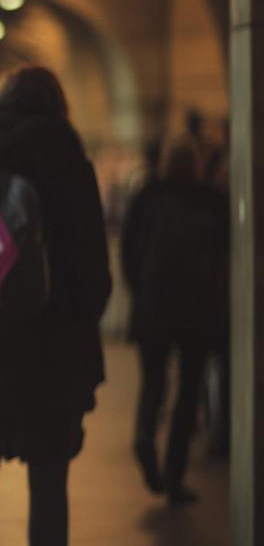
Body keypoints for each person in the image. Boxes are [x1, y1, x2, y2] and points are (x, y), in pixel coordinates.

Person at [0, 66, 111, 546]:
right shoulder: (69, 160)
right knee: (49, 481)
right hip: (54, 341)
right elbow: (93, 264)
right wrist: (80, 319)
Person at [121, 142, 229, 505]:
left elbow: (129, 251)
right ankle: (174, 474)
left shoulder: (147, 196)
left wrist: (139, 290)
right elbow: (224, 255)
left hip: (153, 306)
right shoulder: (211, 200)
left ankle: (144, 437)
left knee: (153, 383)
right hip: (197, 311)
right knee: (188, 393)